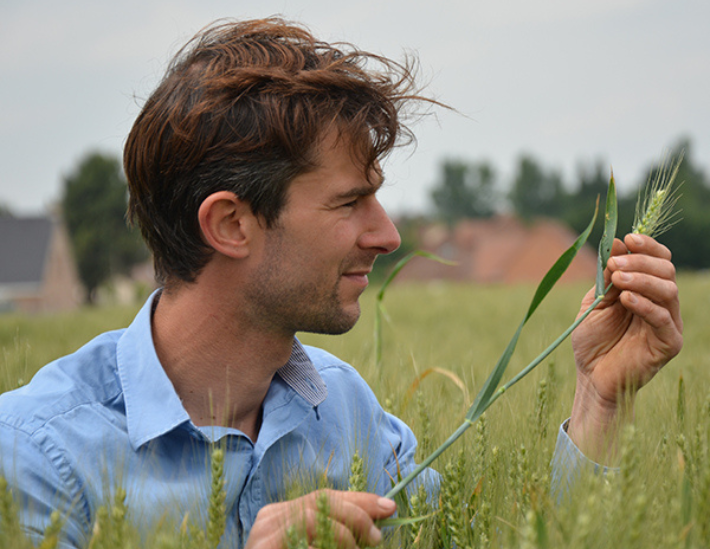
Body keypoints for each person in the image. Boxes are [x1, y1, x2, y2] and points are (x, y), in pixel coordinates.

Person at [0, 18, 682, 549]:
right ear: (232, 224)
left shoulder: (346, 413)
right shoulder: (37, 453)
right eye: (350, 202)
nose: (387, 235)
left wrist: (598, 400)